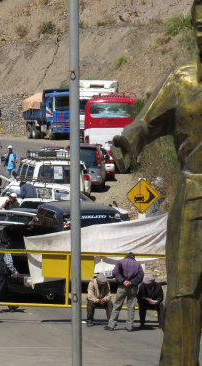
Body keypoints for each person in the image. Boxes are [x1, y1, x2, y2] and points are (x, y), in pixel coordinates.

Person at [111, 4, 202, 361]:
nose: (201, 33)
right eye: (198, 25)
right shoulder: (182, 80)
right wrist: (128, 141)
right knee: (183, 293)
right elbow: (144, 124)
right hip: (193, 194)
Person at [105, 252, 144, 332]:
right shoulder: (137, 264)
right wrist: (131, 282)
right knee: (131, 307)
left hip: (122, 287)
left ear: (126, 256)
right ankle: (129, 326)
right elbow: (141, 275)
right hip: (133, 287)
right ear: (134, 257)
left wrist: (123, 281)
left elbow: (115, 272)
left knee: (117, 305)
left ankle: (111, 325)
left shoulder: (120, 262)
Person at [0, 229, 21, 313]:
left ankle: (11, 306)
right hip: (1, 273)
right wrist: (15, 272)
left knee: (6, 289)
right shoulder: (6, 251)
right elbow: (9, 263)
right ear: (8, 243)